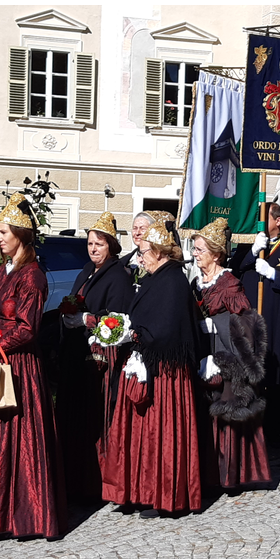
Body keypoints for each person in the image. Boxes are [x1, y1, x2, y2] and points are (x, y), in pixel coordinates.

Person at [0, 193, 66, 539]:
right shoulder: (4, 270)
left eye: (3, 233)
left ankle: (26, 515)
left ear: (20, 235)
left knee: (21, 434)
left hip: (20, 364)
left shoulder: (32, 276)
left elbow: (28, 328)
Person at [103, 217, 204, 517]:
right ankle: (138, 491)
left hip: (165, 373)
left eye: (145, 252)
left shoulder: (172, 281)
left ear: (159, 252)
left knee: (161, 435)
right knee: (139, 435)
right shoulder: (154, 278)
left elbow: (166, 329)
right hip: (146, 363)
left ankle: (166, 496)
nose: (141, 258)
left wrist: (134, 334)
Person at [191, 217, 272, 489]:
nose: (195, 254)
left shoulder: (229, 284)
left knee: (226, 412)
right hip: (202, 358)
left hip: (226, 360)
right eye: (194, 249)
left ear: (216, 254)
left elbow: (246, 326)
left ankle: (229, 475)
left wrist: (217, 326)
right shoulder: (197, 283)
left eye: (200, 250)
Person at [56, 211, 132, 499]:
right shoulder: (87, 270)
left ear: (111, 245)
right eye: (90, 243)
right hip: (77, 352)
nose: (93, 249)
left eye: (99, 244)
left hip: (99, 360)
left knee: (92, 418)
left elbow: (118, 319)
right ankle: (71, 479)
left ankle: (91, 483)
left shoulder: (118, 276)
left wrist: (88, 320)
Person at [232, 202, 280, 442]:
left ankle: (273, 429)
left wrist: (274, 274)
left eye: (264, 219)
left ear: (278, 221)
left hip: (277, 319)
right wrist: (253, 252)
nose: (259, 224)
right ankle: (249, 424)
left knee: (275, 375)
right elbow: (234, 270)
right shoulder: (249, 244)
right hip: (251, 319)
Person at [120, 211, 154, 290]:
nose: (137, 233)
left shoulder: (158, 262)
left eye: (142, 229)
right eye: (135, 228)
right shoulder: (123, 262)